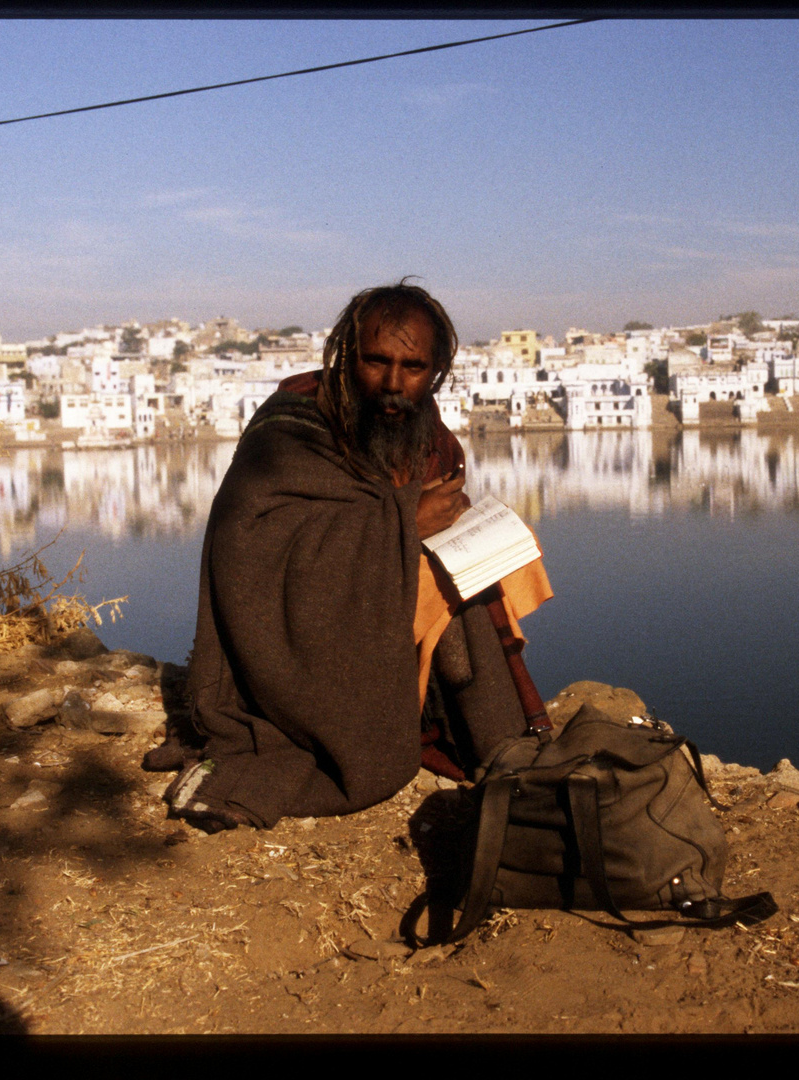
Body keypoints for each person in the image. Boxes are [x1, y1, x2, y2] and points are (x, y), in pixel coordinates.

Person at [145, 280, 552, 832]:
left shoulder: (431, 437)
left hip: (377, 610)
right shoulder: (293, 424)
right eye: (375, 361)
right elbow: (242, 544)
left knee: (471, 570)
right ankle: (493, 741)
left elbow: (424, 517)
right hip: (296, 628)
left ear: (435, 370)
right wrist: (402, 523)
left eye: (412, 368)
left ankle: (496, 744)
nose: (391, 384)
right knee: (441, 588)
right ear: (345, 355)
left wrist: (437, 524)